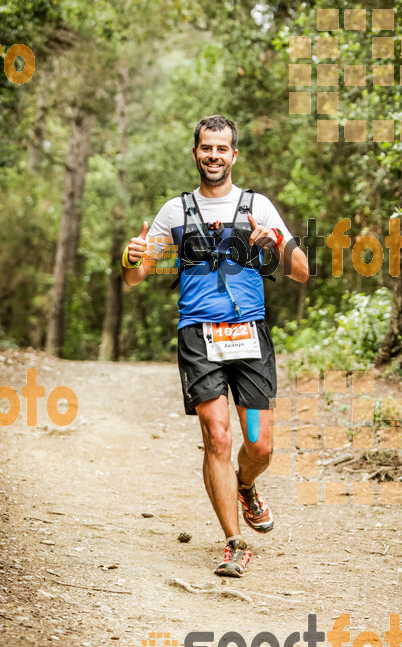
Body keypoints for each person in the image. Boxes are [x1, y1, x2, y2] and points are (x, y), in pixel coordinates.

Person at [121, 115, 308, 577]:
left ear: (234, 155)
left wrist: (278, 245)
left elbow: (302, 271)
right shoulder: (175, 211)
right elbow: (133, 278)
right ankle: (233, 542)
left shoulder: (256, 207)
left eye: (222, 149)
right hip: (198, 335)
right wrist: (131, 257)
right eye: (206, 148)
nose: (214, 156)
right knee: (217, 436)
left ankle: (246, 485)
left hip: (250, 334)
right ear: (196, 153)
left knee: (260, 446)